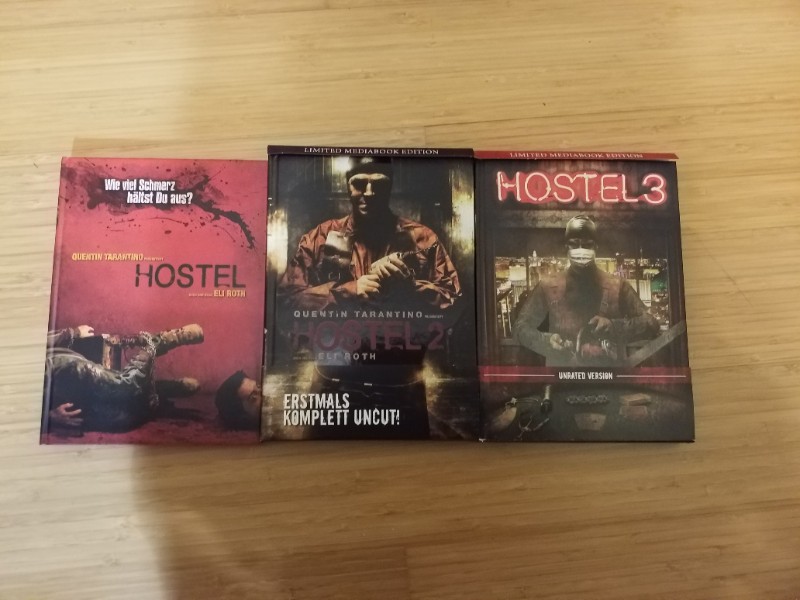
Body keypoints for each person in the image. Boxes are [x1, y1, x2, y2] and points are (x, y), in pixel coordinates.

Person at [277, 158, 461, 313]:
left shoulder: (423, 238)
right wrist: (348, 292)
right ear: (348, 186)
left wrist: (411, 289)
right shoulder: (320, 237)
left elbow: (454, 301)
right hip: (340, 342)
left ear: (389, 188)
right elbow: (286, 301)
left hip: (403, 342)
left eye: (379, 184)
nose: (369, 192)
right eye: (359, 184)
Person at [43, 324, 253, 434]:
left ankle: (158, 342)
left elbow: (35, 343)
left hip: (54, 371)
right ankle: (159, 392)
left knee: (124, 386)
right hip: (58, 400)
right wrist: (50, 416)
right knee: (122, 420)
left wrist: (71, 333)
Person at [514, 215, 660, 366]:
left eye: (586, 245)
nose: (580, 250)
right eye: (574, 244)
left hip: (608, 376)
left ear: (595, 247)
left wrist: (613, 326)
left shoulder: (617, 286)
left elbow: (650, 323)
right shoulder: (548, 286)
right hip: (562, 377)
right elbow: (520, 328)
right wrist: (546, 341)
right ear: (567, 247)